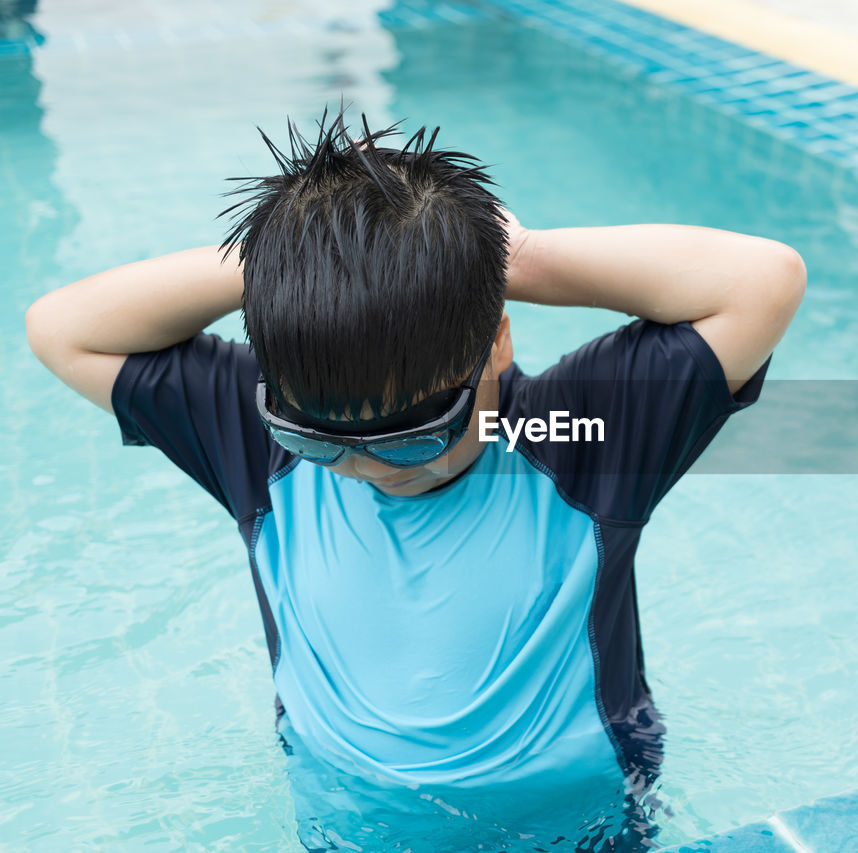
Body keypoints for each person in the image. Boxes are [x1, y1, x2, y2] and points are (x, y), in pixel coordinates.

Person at [24, 112, 805, 851]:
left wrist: (510, 254)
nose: (365, 465)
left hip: (577, 828)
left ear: (495, 343)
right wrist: (283, 264)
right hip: (349, 827)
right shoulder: (255, 444)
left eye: (414, 437)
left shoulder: (574, 435)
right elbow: (61, 328)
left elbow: (763, 280)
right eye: (319, 439)